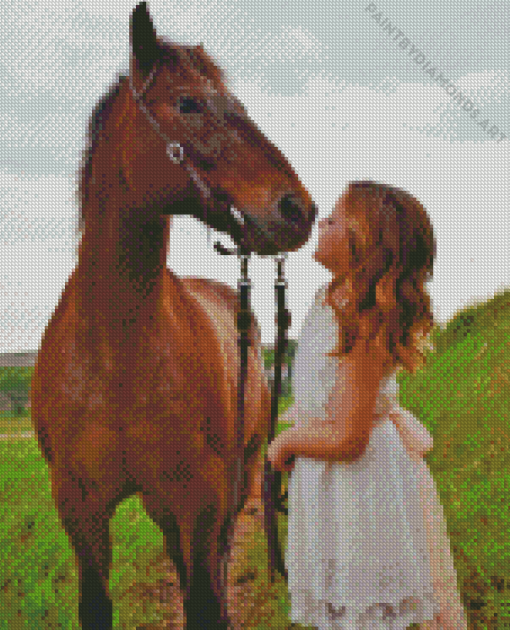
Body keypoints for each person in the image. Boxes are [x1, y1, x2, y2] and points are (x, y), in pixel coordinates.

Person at [267, 181, 468, 629]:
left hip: (358, 489)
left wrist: (286, 442)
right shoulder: (331, 298)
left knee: (363, 613)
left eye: (335, 218)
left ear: (368, 243)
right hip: (334, 484)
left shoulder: (361, 314)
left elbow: (348, 437)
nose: (321, 221)